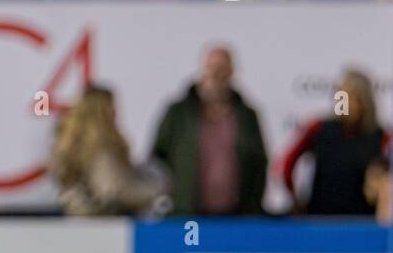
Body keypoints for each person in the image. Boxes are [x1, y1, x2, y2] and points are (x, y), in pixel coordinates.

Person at [150, 45, 269, 215]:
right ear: (202, 70)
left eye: (222, 68)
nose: (217, 74)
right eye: (212, 68)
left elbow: (259, 162)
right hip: (187, 213)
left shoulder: (247, 116)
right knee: (192, 243)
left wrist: (253, 204)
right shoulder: (178, 113)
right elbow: (157, 159)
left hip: (235, 215)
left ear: (232, 71)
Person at [280, 68, 388, 215]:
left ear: (363, 101)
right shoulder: (318, 129)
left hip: (363, 222)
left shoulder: (381, 137)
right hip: (320, 218)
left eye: (349, 97)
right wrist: (296, 200)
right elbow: (286, 165)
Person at [51, 85, 166, 216]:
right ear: (105, 111)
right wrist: (155, 190)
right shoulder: (101, 150)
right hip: (106, 224)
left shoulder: (71, 147)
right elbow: (113, 191)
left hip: (78, 221)